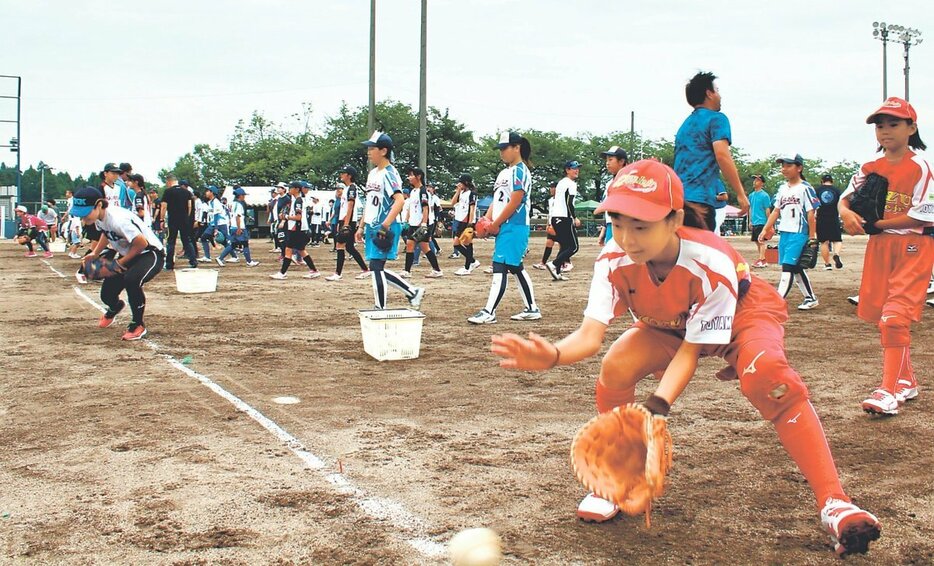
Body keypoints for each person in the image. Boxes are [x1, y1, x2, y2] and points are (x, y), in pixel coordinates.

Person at [489, 160, 882, 557]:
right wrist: (554, 354)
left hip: (742, 315)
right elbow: (591, 336)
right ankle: (618, 479)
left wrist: (657, 406)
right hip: (670, 322)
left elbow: (691, 352)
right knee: (616, 364)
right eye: (618, 222)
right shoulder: (613, 259)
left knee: (767, 377)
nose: (628, 238)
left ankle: (835, 503)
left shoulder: (708, 260)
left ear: (675, 219)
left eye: (641, 226)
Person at [838, 97, 934, 416]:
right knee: (886, 319)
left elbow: (924, 215)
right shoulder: (870, 167)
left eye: (894, 124)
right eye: (880, 125)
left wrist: (874, 223)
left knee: (895, 317)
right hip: (880, 248)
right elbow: (846, 199)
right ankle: (907, 380)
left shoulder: (921, 166)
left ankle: (888, 391)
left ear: (911, 128)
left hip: (912, 247)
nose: (885, 131)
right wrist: (845, 214)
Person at [72, 186, 165, 341]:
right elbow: (107, 234)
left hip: (150, 253)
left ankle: (137, 324)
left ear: (99, 205)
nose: (83, 218)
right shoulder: (100, 218)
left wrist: (120, 263)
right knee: (107, 294)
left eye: (85, 213)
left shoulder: (118, 219)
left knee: (132, 280)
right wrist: (95, 252)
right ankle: (115, 307)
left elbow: (141, 243)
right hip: (130, 254)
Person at [468, 132, 541, 323]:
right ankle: (532, 308)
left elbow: (516, 200)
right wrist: (486, 220)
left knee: (500, 266)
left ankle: (489, 311)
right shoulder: (504, 173)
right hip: (505, 226)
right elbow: (498, 200)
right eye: (500, 149)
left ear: (516, 147)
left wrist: (495, 224)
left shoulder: (520, 171)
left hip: (514, 226)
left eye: (504, 148)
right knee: (515, 267)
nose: (501, 153)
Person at [356, 131, 425, 310]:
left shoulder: (389, 173)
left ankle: (380, 306)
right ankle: (412, 292)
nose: (369, 152)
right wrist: (361, 226)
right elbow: (370, 203)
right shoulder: (373, 173)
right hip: (373, 224)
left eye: (372, 148)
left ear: (384, 151)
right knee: (376, 268)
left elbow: (400, 200)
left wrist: (385, 225)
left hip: (384, 225)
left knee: (376, 267)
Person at [674, 71, 749, 230]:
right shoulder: (717, 119)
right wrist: (741, 194)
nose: (720, 96)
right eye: (717, 90)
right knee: (701, 253)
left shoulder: (684, 126)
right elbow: (722, 156)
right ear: (709, 93)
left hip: (677, 201)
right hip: (699, 203)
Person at [759, 154, 819, 310]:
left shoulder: (805, 188)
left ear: (799, 168)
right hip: (785, 232)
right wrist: (766, 229)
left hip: (799, 232)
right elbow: (776, 211)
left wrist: (812, 237)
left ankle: (776, 301)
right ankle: (810, 298)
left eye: (788, 165)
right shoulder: (782, 189)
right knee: (796, 268)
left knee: (787, 267)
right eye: (782, 165)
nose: (784, 169)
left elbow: (811, 214)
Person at [326, 166, 370, 281]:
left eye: (343, 173)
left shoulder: (352, 188)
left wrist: (345, 224)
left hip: (348, 220)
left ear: (349, 175)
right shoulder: (346, 189)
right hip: (345, 220)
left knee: (340, 245)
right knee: (349, 247)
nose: (341, 175)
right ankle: (365, 270)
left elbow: (350, 207)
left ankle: (338, 273)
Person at [270, 182, 319, 279]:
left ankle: (282, 273)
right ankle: (314, 270)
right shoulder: (296, 200)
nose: (289, 189)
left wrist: (286, 217)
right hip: (298, 229)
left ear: (297, 189)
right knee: (301, 250)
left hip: (296, 229)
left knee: (289, 249)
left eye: (291, 188)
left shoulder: (298, 201)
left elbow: (298, 217)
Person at [400, 167, 443, 278]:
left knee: (425, 247)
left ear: (418, 176)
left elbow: (425, 208)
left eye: (411, 175)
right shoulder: (413, 191)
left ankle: (437, 270)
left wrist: (424, 223)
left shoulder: (423, 191)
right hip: (413, 224)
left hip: (420, 225)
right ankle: (407, 271)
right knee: (410, 245)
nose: (409, 178)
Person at [545, 161, 582, 281]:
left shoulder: (561, 182)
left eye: (577, 168)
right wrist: (574, 217)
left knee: (564, 246)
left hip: (556, 217)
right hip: (564, 217)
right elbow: (569, 202)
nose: (576, 170)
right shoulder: (571, 184)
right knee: (574, 247)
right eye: (574, 168)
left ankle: (557, 272)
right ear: (567, 170)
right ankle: (554, 264)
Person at [160, 174, 198, 270]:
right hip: (184, 219)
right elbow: (189, 206)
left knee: (171, 241)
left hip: (173, 219)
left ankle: (169, 264)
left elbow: (163, 206)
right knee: (186, 240)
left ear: (169, 181)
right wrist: (187, 216)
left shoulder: (168, 192)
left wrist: (162, 219)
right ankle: (193, 261)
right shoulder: (186, 192)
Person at [218, 187, 259, 267]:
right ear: (240, 196)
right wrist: (239, 228)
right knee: (245, 243)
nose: (244, 197)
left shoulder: (232, 204)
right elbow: (238, 217)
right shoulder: (239, 205)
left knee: (233, 245)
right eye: (243, 195)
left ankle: (220, 257)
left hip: (233, 226)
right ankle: (249, 261)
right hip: (239, 227)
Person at [597, 146, 629, 245]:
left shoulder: (629, 180)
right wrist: (604, 229)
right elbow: (607, 209)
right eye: (606, 160)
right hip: (611, 225)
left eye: (611, 159)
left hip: (625, 226)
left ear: (621, 161)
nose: (607, 163)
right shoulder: (609, 183)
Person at [450, 174, 481, 273]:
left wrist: (471, 223)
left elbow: (472, 209)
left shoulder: (472, 193)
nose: (459, 184)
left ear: (466, 183)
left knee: (465, 243)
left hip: (467, 221)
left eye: (461, 182)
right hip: (460, 220)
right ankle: (472, 262)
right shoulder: (462, 192)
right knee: (458, 244)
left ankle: (468, 266)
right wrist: (458, 191)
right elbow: (453, 203)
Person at [815, 174, 844, 270]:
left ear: (822, 181)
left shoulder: (817, 190)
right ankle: (836, 254)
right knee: (837, 240)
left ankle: (827, 264)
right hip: (834, 217)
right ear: (832, 181)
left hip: (821, 218)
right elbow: (841, 204)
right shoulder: (837, 191)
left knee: (824, 242)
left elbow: (814, 205)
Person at [533, 181, 559, 270]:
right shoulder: (550, 200)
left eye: (553, 188)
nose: (551, 190)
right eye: (551, 188)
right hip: (552, 224)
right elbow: (550, 213)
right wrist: (548, 223)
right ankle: (543, 263)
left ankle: (565, 262)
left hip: (560, 223)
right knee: (549, 243)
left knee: (562, 244)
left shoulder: (562, 199)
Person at [748, 174, 772, 268]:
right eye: (754, 180)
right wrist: (750, 220)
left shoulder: (764, 195)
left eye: (757, 180)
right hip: (755, 221)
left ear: (762, 183)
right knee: (757, 241)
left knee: (761, 241)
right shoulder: (751, 195)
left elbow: (767, 209)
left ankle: (762, 259)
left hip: (762, 221)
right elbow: (750, 208)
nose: (754, 182)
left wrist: (769, 223)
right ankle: (762, 258)